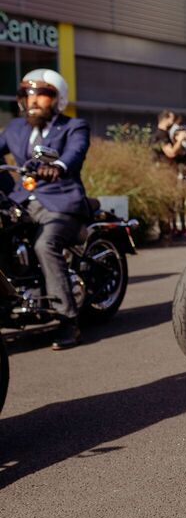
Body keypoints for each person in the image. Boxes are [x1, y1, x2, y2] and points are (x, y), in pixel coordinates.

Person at [0, 69, 91, 348]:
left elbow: (74, 153)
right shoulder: (16, 128)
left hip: (60, 200)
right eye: (27, 95)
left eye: (42, 94)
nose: (33, 101)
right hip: (22, 200)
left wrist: (58, 167)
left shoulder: (74, 126)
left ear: (58, 98)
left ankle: (68, 321)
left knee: (45, 244)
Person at [151, 110, 186, 237]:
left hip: (167, 172)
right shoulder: (161, 135)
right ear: (166, 118)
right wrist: (180, 140)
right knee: (165, 203)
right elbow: (171, 153)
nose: (173, 122)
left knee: (169, 203)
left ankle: (167, 231)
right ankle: (165, 232)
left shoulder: (164, 134)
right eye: (172, 119)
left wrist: (182, 138)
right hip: (164, 173)